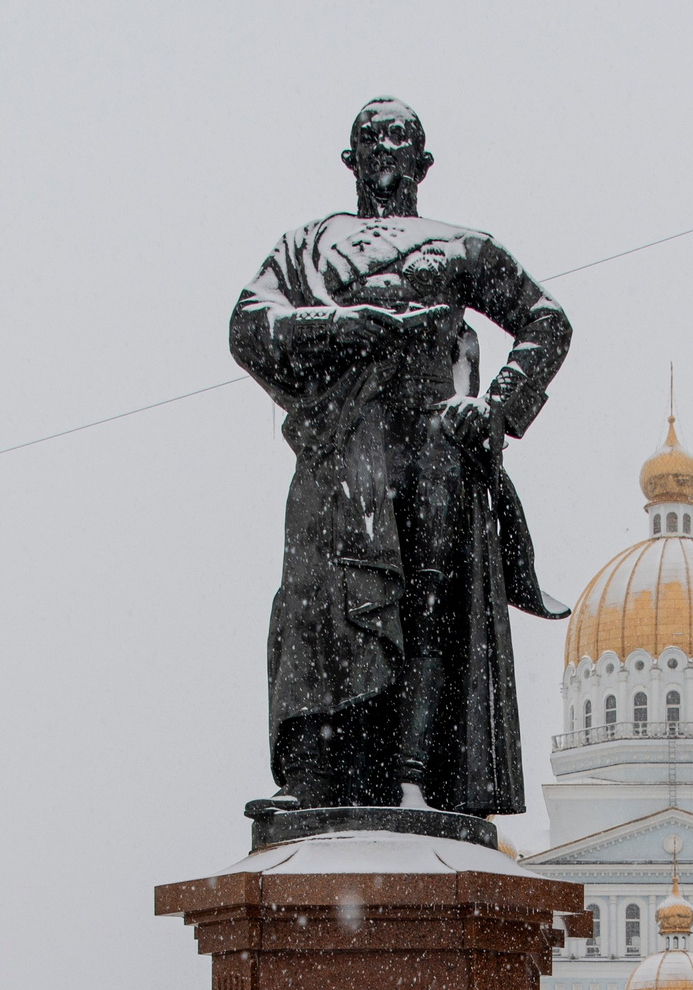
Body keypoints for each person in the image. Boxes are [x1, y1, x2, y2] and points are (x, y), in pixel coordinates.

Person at [230, 98, 574, 817]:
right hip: (341, 455)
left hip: (431, 449)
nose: (385, 149)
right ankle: (318, 775)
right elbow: (249, 325)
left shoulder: (460, 247)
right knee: (321, 608)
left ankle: (417, 778)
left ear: (423, 163)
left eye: (399, 138)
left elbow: (547, 320)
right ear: (351, 159)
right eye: (370, 138)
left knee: (427, 613)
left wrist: (497, 406)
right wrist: (346, 325)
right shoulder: (308, 246)